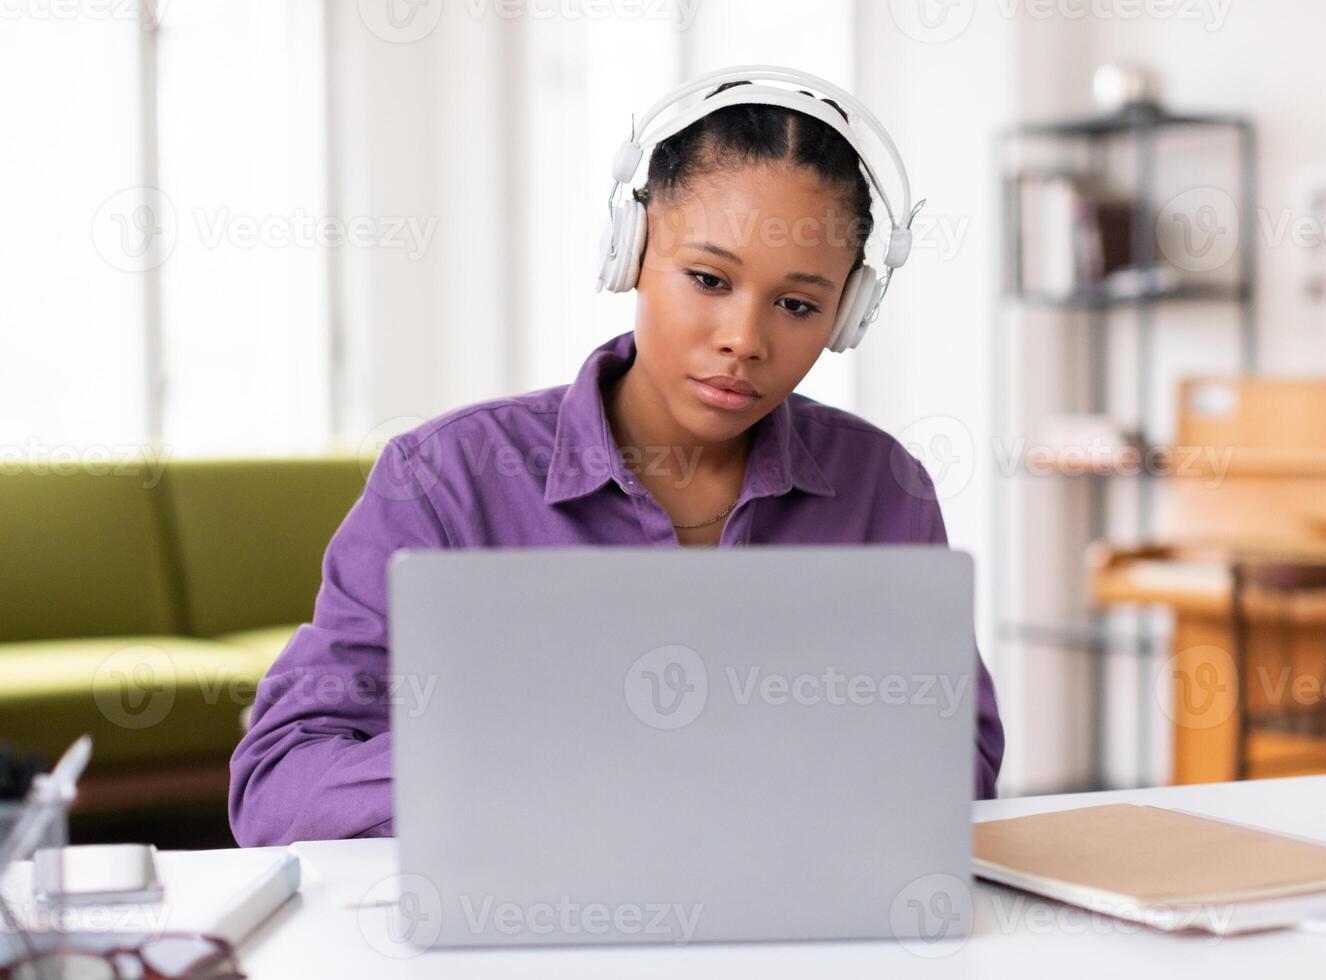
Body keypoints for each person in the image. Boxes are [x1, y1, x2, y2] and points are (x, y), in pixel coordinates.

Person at [229, 71, 1004, 848]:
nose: (745, 338)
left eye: (798, 305)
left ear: (849, 313)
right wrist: (524, 765)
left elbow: (957, 759)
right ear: (629, 253)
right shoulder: (445, 480)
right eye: (707, 278)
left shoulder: (883, 488)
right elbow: (278, 787)